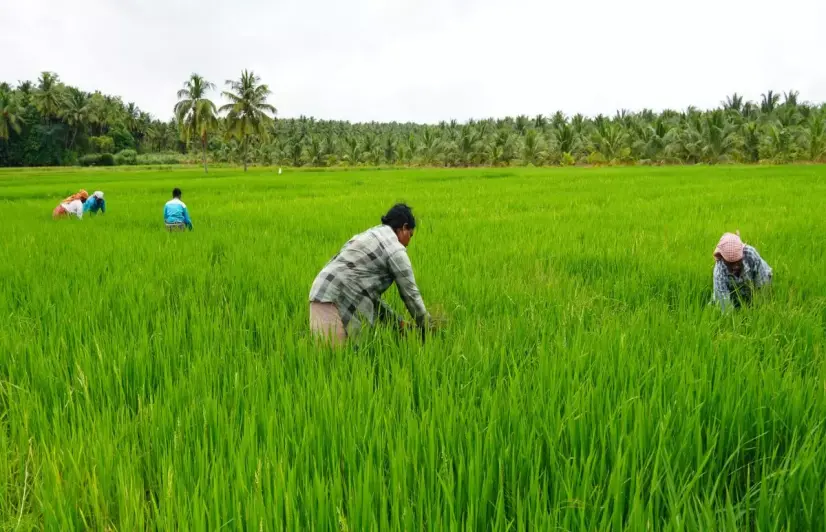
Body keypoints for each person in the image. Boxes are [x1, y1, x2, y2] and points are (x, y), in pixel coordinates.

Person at [309, 203, 430, 345]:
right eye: (410, 235)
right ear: (404, 227)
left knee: (329, 361)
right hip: (336, 297)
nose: (409, 242)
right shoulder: (396, 250)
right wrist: (428, 327)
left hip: (320, 291)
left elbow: (369, 296)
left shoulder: (368, 235)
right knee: (337, 359)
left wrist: (398, 323)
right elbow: (411, 295)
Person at [712, 231, 773, 312]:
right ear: (722, 258)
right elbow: (725, 303)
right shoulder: (719, 270)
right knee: (716, 305)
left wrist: (760, 309)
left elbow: (763, 284)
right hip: (734, 295)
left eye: (738, 261)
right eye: (730, 263)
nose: (735, 267)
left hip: (753, 286)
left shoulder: (751, 254)